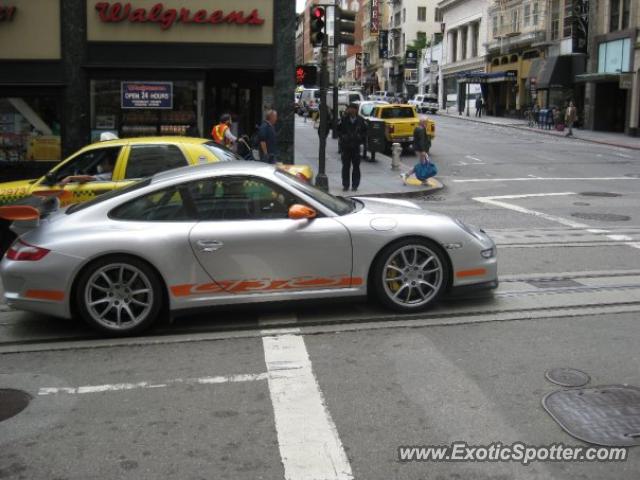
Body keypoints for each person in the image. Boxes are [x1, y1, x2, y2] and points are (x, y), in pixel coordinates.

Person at [338, 103, 366, 192]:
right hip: (346, 147)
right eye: (349, 109)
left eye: (352, 109)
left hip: (356, 147)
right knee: (346, 166)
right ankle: (345, 185)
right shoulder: (344, 119)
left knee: (356, 167)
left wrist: (360, 138)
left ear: (356, 110)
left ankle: (355, 185)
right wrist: (343, 137)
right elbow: (338, 131)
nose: (350, 110)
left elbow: (365, 133)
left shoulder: (361, 120)